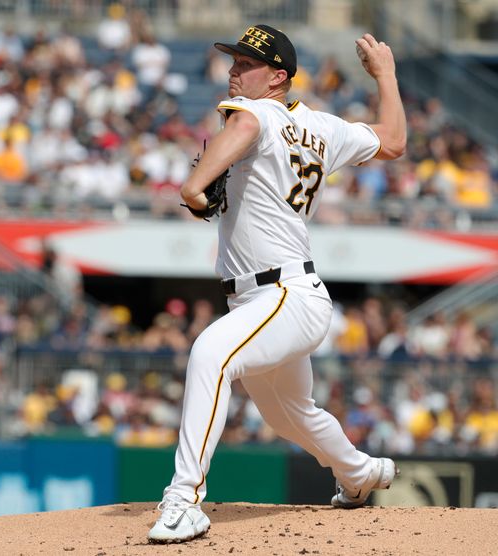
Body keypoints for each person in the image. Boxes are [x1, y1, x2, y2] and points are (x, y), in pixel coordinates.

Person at [148, 25, 406, 543]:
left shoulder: (256, 113)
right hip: (281, 298)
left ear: (278, 78)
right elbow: (395, 141)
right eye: (235, 60)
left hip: (282, 294)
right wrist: (387, 76)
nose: (234, 69)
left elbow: (240, 132)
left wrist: (194, 186)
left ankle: (183, 500)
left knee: (210, 355)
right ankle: (359, 472)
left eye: (247, 63)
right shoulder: (323, 128)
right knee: (290, 415)